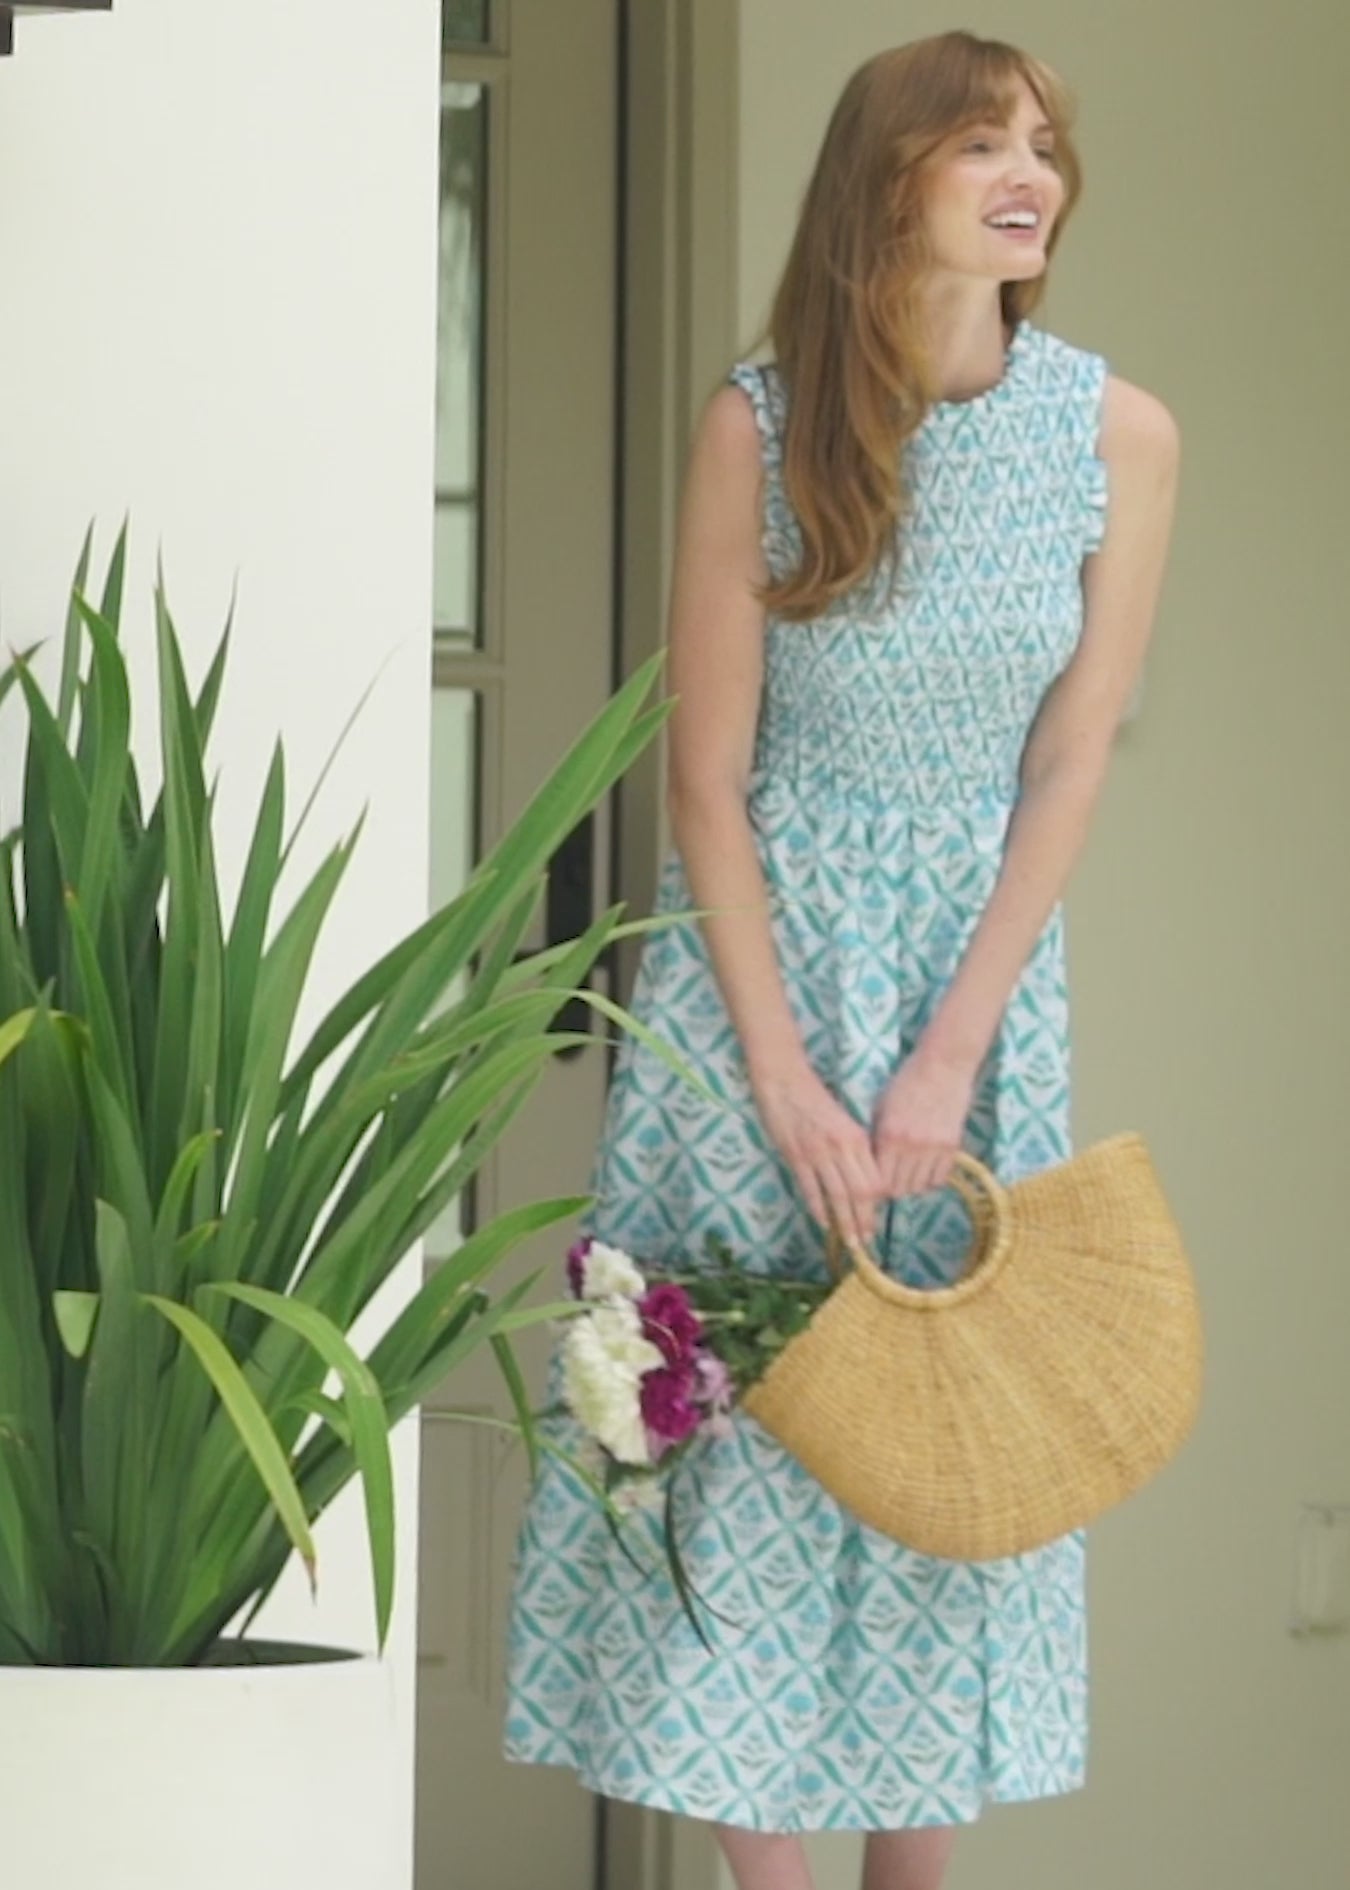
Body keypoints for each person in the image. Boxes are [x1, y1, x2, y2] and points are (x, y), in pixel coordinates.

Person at [502, 28, 1179, 1890]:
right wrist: (786, 1076)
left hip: (976, 977)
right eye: (978, 144)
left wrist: (949, 1056)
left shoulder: (1120, 435)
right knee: (734, 1430)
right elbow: (707, 785)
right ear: (888, 183)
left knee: (952, 1416)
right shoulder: (761, 419)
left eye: (1041, 141)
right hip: (757, 983)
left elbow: (1069, 752)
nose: (1027, 171)